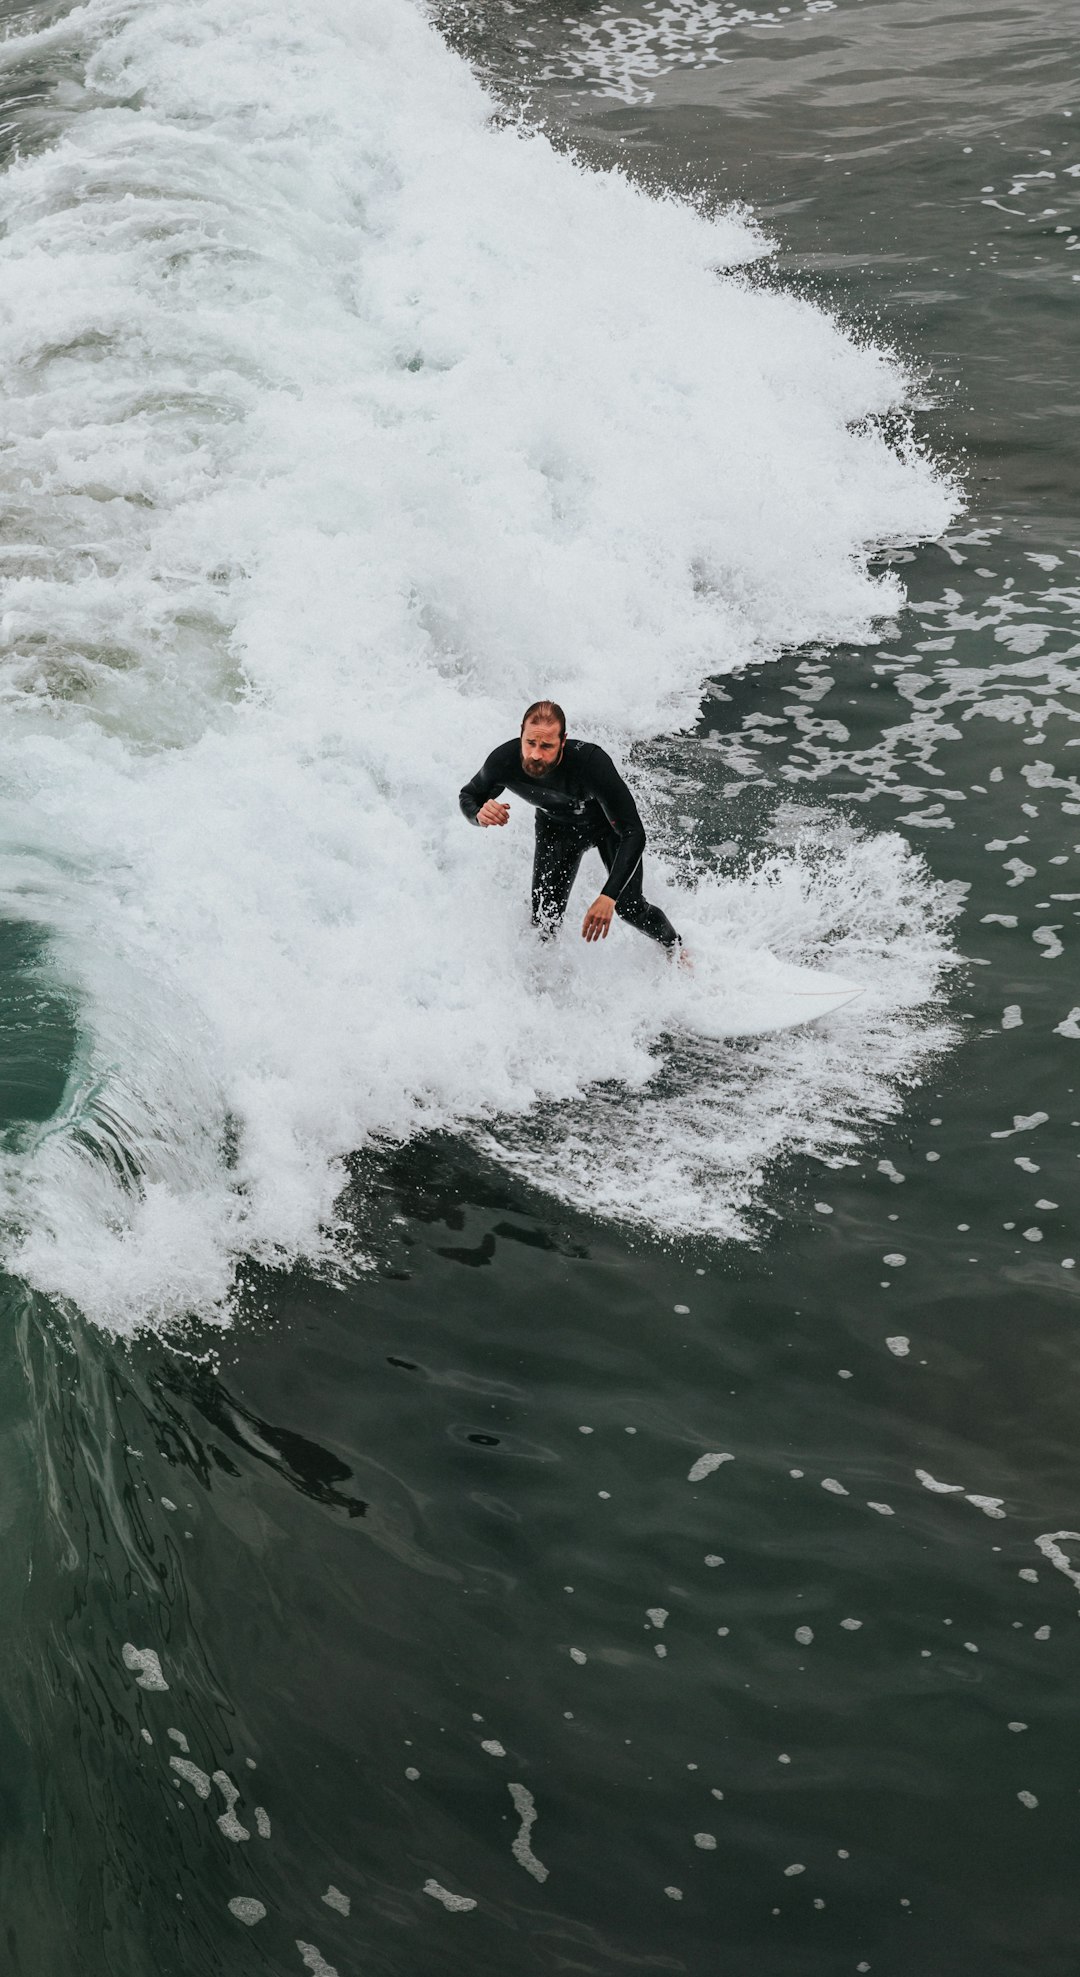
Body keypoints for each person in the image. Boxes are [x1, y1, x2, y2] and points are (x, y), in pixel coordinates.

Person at [459, 700, 682, 951]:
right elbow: (468, 795)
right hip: (556, 829)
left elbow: (634, 833)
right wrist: (479, 814)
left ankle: (676, 949)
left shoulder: (590, 763)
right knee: (544, 919)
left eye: (547, 746)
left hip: (607, 827)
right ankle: (547, 981)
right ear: (521, 732)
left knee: (629, 908)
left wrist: (608, 896)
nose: (535, 754)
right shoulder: (503, 760)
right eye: (530, 742)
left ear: (563, 741)